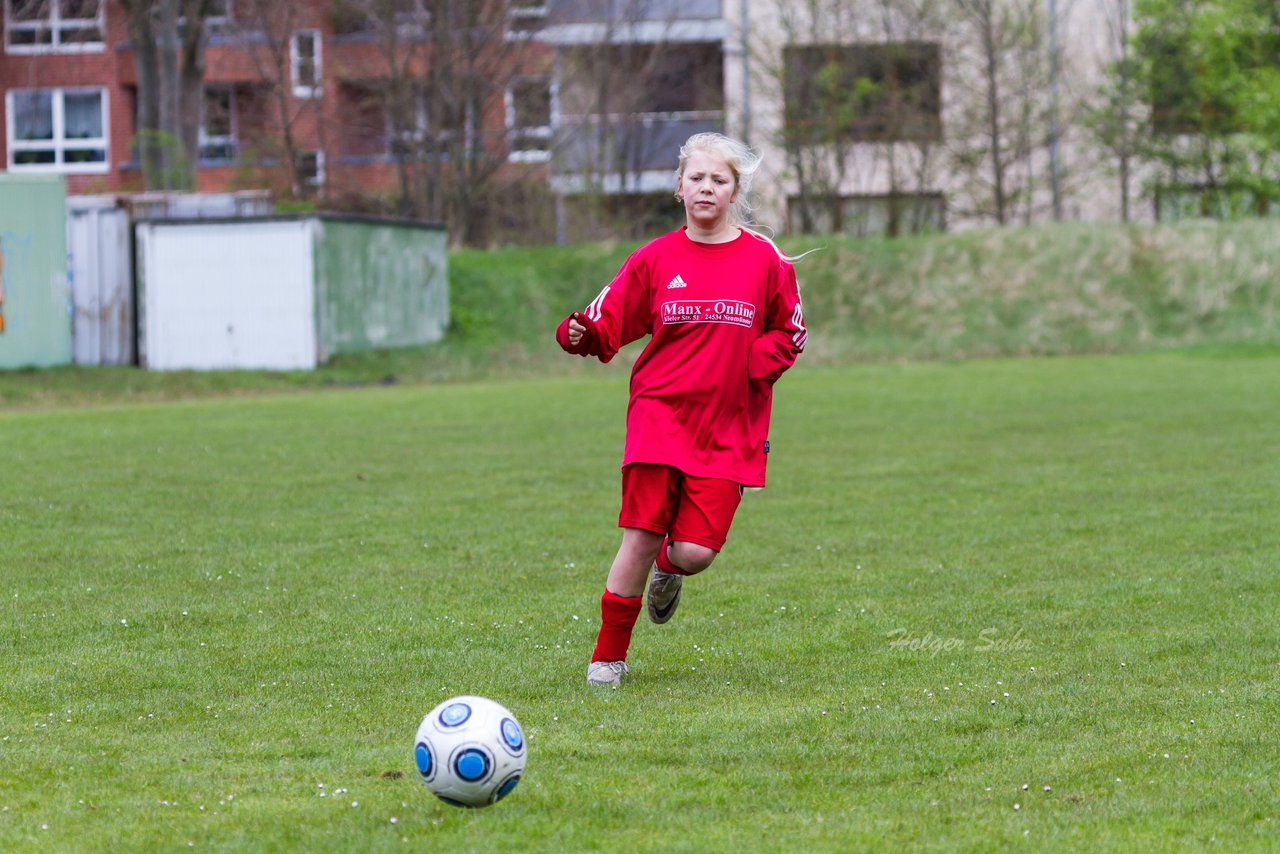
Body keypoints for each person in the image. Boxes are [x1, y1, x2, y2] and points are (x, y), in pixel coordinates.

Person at [555, 132, 808, 687]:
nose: (707, 188)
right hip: (659, 415)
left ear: (735, 191)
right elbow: (607, 320)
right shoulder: (654, 259)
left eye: (719, 180)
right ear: (679, 187)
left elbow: (791, 332)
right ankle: (607, 659)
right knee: (640, 535)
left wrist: (751, 365)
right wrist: (580, 333)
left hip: (728, 426)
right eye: (697, 178)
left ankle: (671, 572)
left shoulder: (765, 260)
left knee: (693, 551)